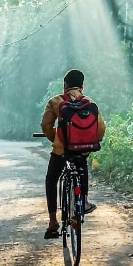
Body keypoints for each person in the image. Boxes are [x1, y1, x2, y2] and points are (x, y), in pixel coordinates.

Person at [40, 69, 106, 239]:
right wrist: (88, 143)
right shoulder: (90, 102)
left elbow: (46, 125)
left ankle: (53, 221)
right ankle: (83, 202)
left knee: (51, 179)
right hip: (82, 149)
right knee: (82, 166)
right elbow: (101, 128)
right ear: (82, 86)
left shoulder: (56, 101)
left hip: (61, 150)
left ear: (65, 86)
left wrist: (55, 138)